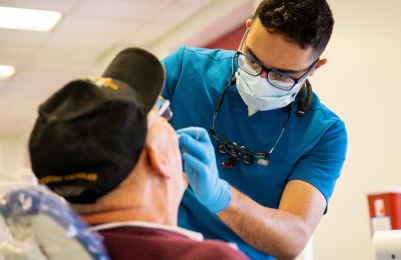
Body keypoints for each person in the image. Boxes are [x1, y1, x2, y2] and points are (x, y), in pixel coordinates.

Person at [162, 0, 348, 259]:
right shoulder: (184, 70)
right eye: (252, 60)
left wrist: (221, 196)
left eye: (281, 76)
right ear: (247, 30)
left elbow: (292, 240)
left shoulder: (323, 134)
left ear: (314, 68)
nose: (259, 80)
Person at [27, 47, 248, 260]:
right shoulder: (209, 258)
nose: (171, 123)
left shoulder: (30, 249)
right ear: (158, 158)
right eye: (163, 114)